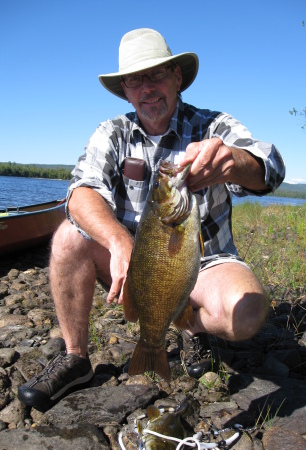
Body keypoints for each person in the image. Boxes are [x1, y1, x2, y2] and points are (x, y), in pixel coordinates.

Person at [18, 28, 285, 407]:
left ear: (177, 77)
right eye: (133, 79)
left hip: (208, 263)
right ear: (125, 89)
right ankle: (75, 358)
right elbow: (80, 193)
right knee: (67, 237)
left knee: (247, 313)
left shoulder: (214, 127)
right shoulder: (113, 133)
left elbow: (271, 168)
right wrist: (117, 240)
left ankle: (190, 327)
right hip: (137, 268)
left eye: (156, 74)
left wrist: (234, 162)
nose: (146, 87)